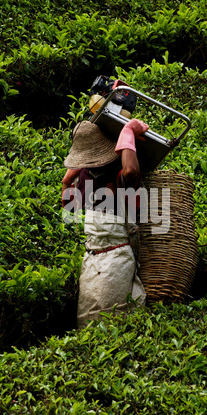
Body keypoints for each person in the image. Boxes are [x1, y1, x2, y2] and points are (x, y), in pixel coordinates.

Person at [62, 117, 149, 328]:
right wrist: (128, 131)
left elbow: (68, 207)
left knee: (111, 320)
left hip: (112, 258)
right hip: (94, 259)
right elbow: (130, 171)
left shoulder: (86, 176)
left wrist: (67, 180)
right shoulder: (104, 174)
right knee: (96, 321)